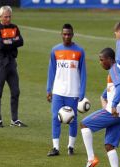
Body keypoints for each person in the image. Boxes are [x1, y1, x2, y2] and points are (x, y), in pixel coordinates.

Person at [80, 48, 120, 167]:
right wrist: (104, 96)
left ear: (110, 59)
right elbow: (113, 88)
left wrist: (113, 105)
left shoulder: (114, 69)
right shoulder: (119, 70)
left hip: (114, 112)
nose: (100, 63)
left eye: (102, 60)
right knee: (109, 146)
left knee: (84, 124)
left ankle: (91, 159)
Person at [46, 23, 86, 156]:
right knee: (55, 118)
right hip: (58, 91)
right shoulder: (55, 50)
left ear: (72, 35)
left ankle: (71, 146)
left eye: (69, 34)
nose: (67, 36)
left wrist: (82, 91)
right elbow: (51, 71)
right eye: (64, 34)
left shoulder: (79, 51)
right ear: (61, 35)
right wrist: (49, 89)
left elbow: (83, 73)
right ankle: (56, 148)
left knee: (72, 120)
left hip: (73, 92)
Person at [0, 6, 26, 128]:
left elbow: (21, 41)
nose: (8, 18)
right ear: (0, 17)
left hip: (11, 63)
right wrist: (12, 41)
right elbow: (0, 45)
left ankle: (14, 120)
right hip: (0, 63)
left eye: (9, 16)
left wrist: (7, 41)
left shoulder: (14, 27)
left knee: (16, 91)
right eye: (6, 16)